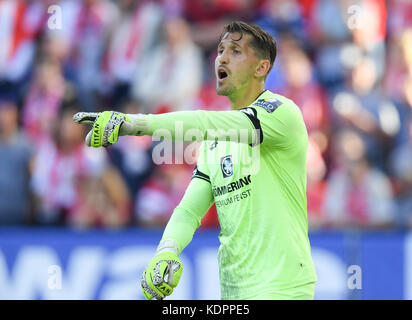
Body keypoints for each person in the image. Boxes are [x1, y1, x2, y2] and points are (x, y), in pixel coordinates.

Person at [74, 21, 317, 300]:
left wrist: (132, 124)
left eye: (235, 51)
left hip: (282, 289)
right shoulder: (215, 142)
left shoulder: (281, 113)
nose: (222, 58)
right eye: (220, 50)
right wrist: (167, 250)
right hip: (234, 294)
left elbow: (203, 121)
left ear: (261, 68)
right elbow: (189, 211)